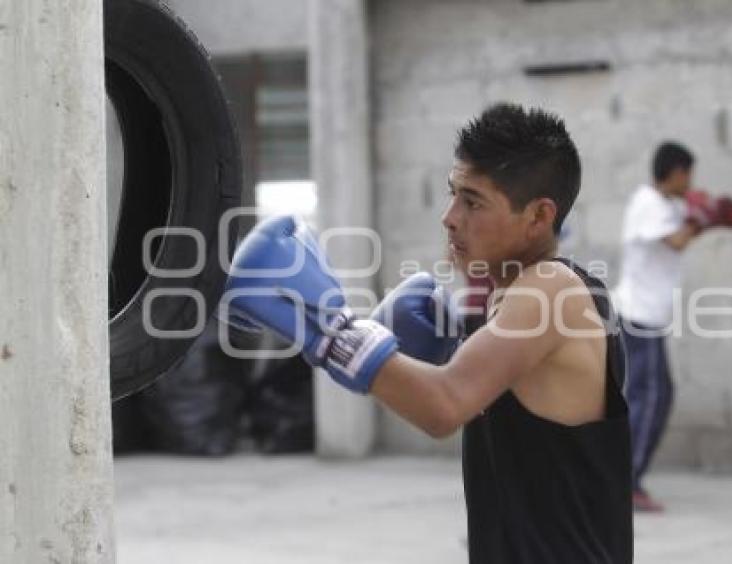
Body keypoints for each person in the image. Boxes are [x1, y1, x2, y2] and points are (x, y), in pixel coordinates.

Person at [225, 103, 633, 563]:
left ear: (538, 216)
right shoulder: (511, 301)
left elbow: (443, 407)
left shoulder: (552, 288)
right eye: (452, 194)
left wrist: (333, 331)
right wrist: (444, 350)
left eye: (473, 201)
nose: (450, 216)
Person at [613, 142, 732, 512]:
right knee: (650, 397)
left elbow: (681, 240)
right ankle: (627, 482)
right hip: (639, 316)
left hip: (648, 317)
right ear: (674, 172)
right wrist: (702, 220)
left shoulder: (668, 204)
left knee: (654, 396)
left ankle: (627, 478)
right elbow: (676, 239)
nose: (690, 182)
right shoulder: (646, 203)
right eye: (688, 174)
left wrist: (706, 217)